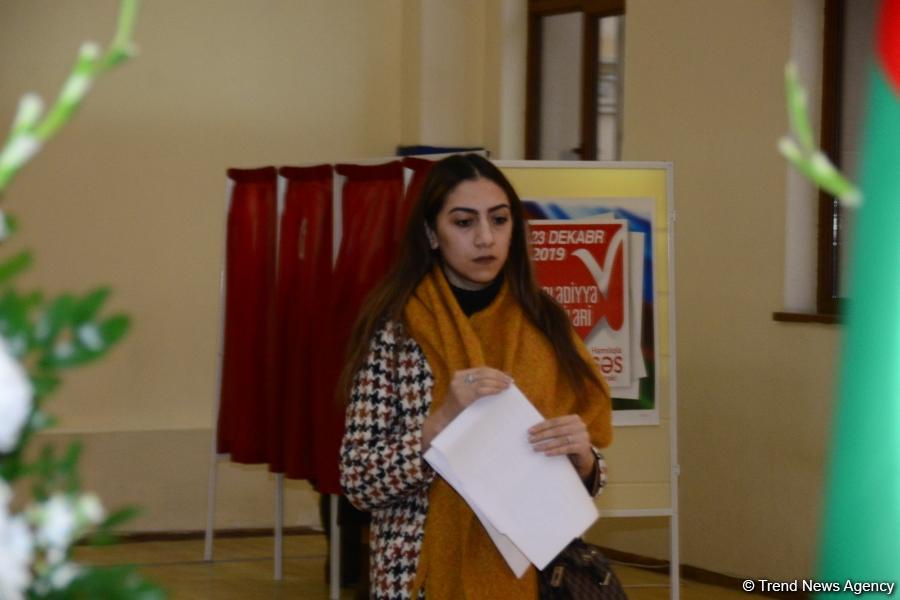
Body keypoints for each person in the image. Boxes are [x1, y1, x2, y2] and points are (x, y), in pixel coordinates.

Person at [339, 154, 612, 600]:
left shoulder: (545, 323)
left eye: (499, 220)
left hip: (533, 575)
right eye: (464, 223)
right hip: (419, 577)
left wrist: (583, 459)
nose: (485, 238)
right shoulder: (396, 328)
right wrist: (440, 422)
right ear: (431, 233)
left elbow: (589, 476)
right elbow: (358, 482)